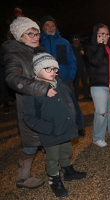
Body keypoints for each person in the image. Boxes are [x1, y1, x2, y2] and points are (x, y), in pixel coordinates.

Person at [23, 48, 87, 198]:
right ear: (37, 70)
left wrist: (77, 122)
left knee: (66, 152)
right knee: (52, 158)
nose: (52, 71)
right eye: (47, 68)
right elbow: (29, 117)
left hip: (66, 129)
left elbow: (73, 105)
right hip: (50, 134)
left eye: (54, 68)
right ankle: (54, 179)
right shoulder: (33, 91)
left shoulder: (62, 85)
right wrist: (49, 128)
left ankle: (68, 170)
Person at [3, 17, 51, 189]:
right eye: (29, 33)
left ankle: (53, 171)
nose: (35, 36)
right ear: (18, 36)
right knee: (31, 144)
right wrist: (41, 87)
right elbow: (12, 78)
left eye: (36, 33)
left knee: (49, 139)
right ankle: (22, 178)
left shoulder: (38, 51)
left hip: (45, 105)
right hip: (30, 107)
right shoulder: (14, 54)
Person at [39, 15, 85, 137]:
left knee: (72, 104)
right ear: (43, 27)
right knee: (49, 107)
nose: (51, 27)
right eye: (48, 25)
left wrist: (70, 77)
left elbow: (72, 61)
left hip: (64, 80)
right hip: (45, 81)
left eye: (53, 25)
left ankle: (79, 126)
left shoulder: (63, 42)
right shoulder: (39, 43)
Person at [84, 23, 110, 147]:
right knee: (101, 112)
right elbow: (95, 62)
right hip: (99, 84)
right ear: (96, 34)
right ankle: (97, 137)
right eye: (102, 34)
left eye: (107, 34)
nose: (105, 36)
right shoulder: (91, 47)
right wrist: (100, 45)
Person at [71, 34, 90, 101]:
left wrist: (84, 54)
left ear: (79, 40)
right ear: (72, 40)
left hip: (83, 68)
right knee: (75, 84)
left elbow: (88, 57)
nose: (76, 41)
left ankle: (86, 96)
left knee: (85, 83)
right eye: (74, 39)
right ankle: (76, 97)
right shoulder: (70, 48)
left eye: (77, 39)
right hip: (74, 68)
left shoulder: (83, 47)